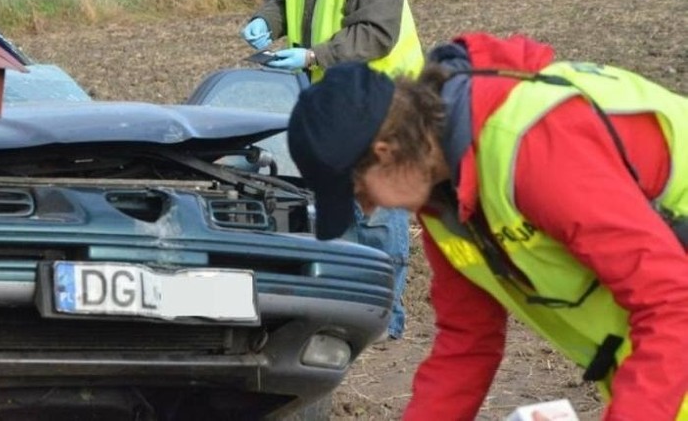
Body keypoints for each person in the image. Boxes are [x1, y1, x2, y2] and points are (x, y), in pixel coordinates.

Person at [286, 32, 688, 420]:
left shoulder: (535, 151)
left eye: (360, 193)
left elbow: (672, 302)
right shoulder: (447, 203)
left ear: (385, 153)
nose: (368, 211)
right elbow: (466, 343)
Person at [239, 0, 424, 340]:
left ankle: (385, 321)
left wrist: (312, 56)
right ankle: (345, 309)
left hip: (383, 93)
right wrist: (268, 21)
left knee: (379, 208)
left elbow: (378, 32)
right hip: (331, 91)